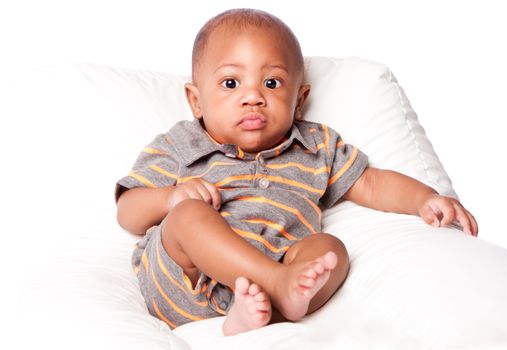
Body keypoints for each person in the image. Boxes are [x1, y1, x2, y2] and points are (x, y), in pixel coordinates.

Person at [115, 8, 478, 336]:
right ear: (196, 100)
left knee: (330, 250)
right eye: (231, 83)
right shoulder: (183, 143)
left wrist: (425, 199)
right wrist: (171, 197)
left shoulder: (315, 146)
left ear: (299, 100)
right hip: (184, 283)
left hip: (270, 282)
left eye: (271, 83)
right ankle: (277, 286)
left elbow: (371, 182)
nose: (253, 96)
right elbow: (128, 209)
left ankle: (256, 315)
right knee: (188, 216)